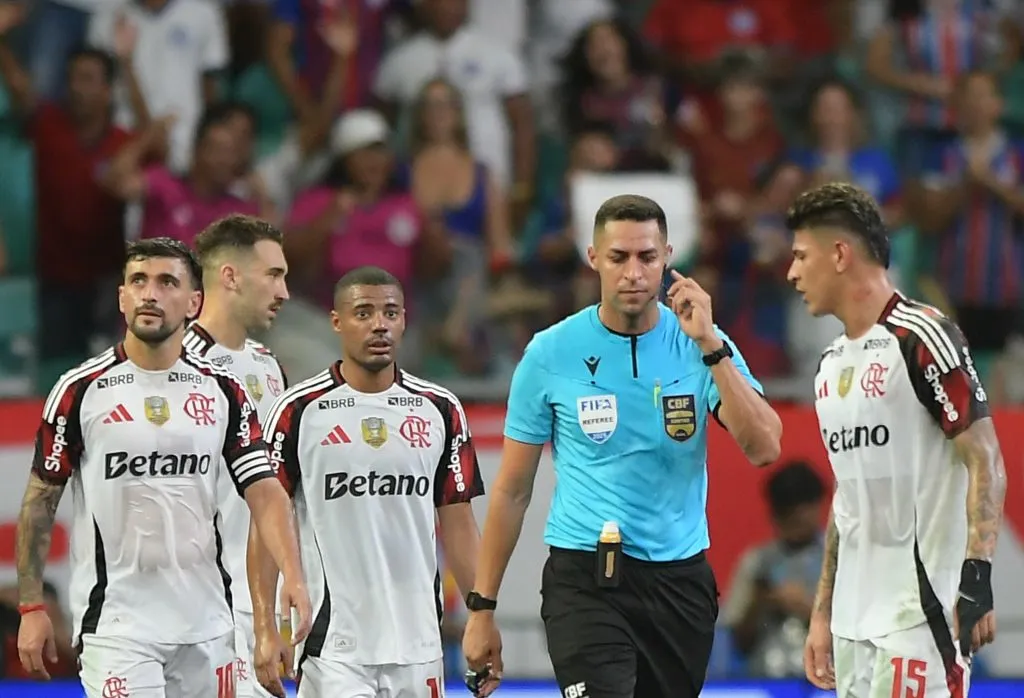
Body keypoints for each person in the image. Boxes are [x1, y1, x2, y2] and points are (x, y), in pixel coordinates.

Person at [462, 194, 783, 698]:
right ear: (593, 259)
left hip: (680, 584)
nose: (633, 273)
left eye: (647, 257)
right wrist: (482, 609)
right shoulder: (549, 353)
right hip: (584, 579)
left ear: (667, 258)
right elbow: (511, 492)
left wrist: (710, 346)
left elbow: (764, 446)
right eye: (618, 258)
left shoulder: (700, 343)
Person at [14, 238, 311, 698]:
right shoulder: (81, 390)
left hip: (209, 625)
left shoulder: (223, 390)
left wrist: (293, 577)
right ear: (121, 297)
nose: (149, 294)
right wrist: (32, 605)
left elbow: (266, 491)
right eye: (138, 281)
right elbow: (40, 499)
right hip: (117, 626)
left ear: (194, 302)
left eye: (166, 282)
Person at [785, 182, 1007, 698]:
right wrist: (823, 613)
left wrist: (976, 576)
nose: (791, 273)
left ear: (840, 254)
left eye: (800, 256)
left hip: (920, 618)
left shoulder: (922, 336)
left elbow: (986, 459)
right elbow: (848, 501)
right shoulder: (829, 366)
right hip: (852, 622)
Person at [248, 265, 490, 698]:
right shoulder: (297, 411)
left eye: (390, 313)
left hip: (418, 645)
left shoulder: (440, 409)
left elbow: (459, 524)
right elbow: (266, 521)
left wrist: (482, 615)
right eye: (363, 313)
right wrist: (264, 627)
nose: (379, 324)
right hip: (332, 646)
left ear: (404, 321)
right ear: (337, 322)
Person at [185, 215, 290, 698]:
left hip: (257, 604)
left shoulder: (268, 366)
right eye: (273, 274)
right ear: (229, 276)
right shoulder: (173, 365)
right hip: (193, 607)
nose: (284, 291)